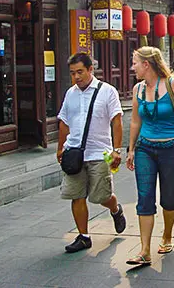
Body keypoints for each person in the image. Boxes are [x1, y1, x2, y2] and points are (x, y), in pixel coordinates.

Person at [126, 46, 174, 266]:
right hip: (145, 148)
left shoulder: (172, 84)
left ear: (147, 64)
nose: (132, 66)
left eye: (135, 62)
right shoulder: (137, 89)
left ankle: (167, 235)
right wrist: (131, 149)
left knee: (167, 197)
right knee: (144, 197)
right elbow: (136, 120)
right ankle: (145, 250)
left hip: (171, 149)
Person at [57, 52, 126, 253]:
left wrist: (117, 150)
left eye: (80, 72)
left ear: (90, 70)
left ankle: (115, 209)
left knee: (101, 196)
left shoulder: (108, 91)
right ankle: (84, 236)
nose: (76, 77)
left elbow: (117, 121)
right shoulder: (71, 93)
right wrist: (60, 147)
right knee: (76, 195)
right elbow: (64, 122)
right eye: (72, 73)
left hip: (100, 153)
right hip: (74, 153)